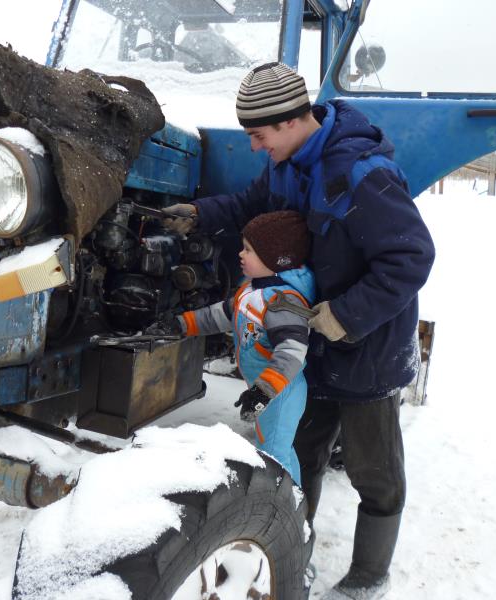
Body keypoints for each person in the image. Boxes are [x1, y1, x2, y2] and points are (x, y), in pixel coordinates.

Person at [162, 62, 435, 600]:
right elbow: (249, 207)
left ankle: (369, 574)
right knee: (300, 454)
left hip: (367, 351)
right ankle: (294, 547)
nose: (257, 148)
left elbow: (411, 257)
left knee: (373, 471)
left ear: (291, 120)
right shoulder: (287, 166)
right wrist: (197, 213)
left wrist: (346, 316)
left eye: (259, 137)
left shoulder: (362, 174)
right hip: (309, 344)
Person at [172, 210, 314, 485]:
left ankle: (285, 514)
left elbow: (292, 351)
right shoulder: (250, 291)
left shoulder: (283, 301)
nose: (240, 254)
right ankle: (291, 511)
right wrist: (181, 324)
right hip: (265, 388)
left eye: (249, 250)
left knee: (274, 457)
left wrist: (264, 391)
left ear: (275, 259)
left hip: (281, 391)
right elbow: (219, 315)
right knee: (274, 448)